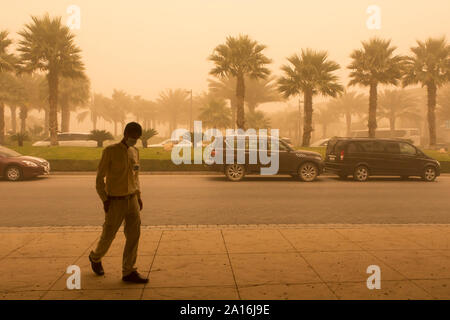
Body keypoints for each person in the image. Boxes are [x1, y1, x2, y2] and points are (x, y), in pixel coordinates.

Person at [89, 122, 148, 283]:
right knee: (108, 235)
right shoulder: (110, 151)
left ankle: (128, 270)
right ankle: (95, 257)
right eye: (133, 137)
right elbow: (99, 178)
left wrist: (138, 195)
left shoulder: (135, 151)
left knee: (134, 236)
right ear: (125, 134)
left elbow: (136, 176)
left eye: (137, 137)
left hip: (132, 199)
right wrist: (104, 199)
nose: (134, 140)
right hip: (115, 201)